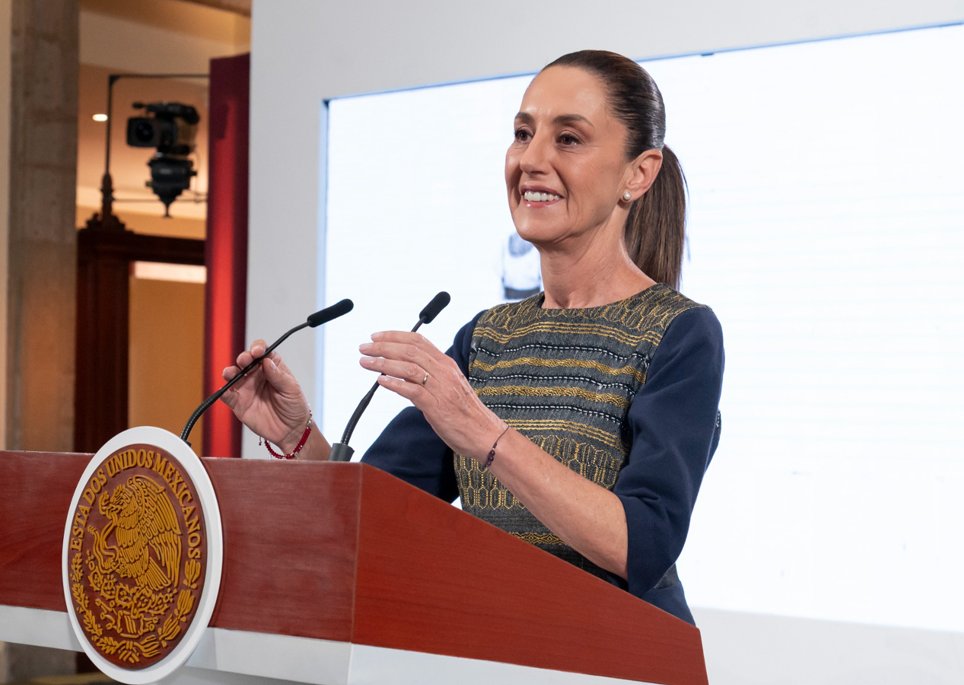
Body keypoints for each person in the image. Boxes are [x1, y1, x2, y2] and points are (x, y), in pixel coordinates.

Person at [221, 50, 725, 624]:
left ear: (638, 174)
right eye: (523, 134)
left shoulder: (680, 333)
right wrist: (298, 436)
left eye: (568, 139)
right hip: (498, 648)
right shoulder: (487, 337)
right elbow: (373, 511)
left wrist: (483, 432)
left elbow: (645, 542)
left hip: (627, 651)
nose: (530, 159)